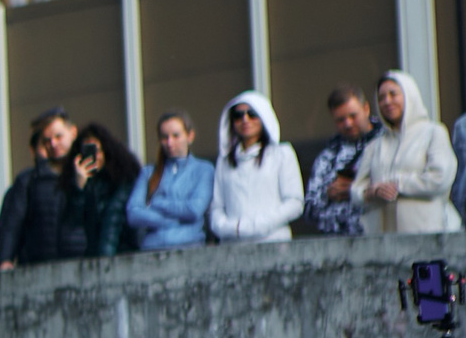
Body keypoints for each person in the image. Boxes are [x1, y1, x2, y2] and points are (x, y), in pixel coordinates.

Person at [352, 70, 465, 234]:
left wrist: (397, 185)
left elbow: (440, 178)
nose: (387, 101)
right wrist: (373, 192)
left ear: (409, 95)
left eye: (393, 94)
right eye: (381, 97)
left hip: (426, 234)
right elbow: (356, 190)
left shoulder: (433, 132)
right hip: (383, 239)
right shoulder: (375, 146)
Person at [207, 92, 301, 243]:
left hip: (273, 242)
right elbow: (217, 208)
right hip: (234, 247)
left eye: (252, 114)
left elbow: (294, 203)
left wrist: (260, 224)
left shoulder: (282, 154)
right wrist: (233, 228)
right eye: (238, 115)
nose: (245, 120)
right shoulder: (225, 161)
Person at [0, 109, 82, 268]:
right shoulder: (28, 180)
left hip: (82, 265)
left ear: (73, 132)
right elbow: (12, 225)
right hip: (37, 268)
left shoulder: (88, 175)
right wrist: (5, 259)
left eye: (58, 137)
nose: (53, 144)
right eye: (47, 140)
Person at [126, 111, 215, 250]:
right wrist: (171, 221)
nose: (169, 142)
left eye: (176, 136)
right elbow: (133, 213)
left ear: (190, 136)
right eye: (164, 137)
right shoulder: (148, 172)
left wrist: (157, 203)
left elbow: (194, 210)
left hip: (190, 247)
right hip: (151, 249)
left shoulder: (204, 169)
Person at [304, 85, 381, 237]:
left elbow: (395, 189)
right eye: (340, 120)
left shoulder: (385, 143)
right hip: (335, 246)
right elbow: (308, 211)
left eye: (353, 116)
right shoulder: (328, 156)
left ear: (366, 109)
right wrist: (328, 194)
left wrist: (354, 190)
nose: (348, 124)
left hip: (375, 238)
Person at [64, 123, 142, 256]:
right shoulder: (77, 183)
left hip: (122, 255)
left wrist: (105, 261)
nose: (94, 156)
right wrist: (79, 188)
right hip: (91, 258)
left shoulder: (122, 180)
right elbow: (72, 226)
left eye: (97, 150)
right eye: (87, 151)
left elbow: (113, 220)